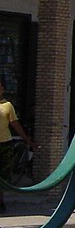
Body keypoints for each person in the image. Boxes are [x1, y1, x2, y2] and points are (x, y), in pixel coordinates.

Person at [0, 81, 36, 211]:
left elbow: (15, 124)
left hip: (4, 143)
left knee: (4, 173)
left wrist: (27, 140)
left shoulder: (7, 106)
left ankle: (1, 201)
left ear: (2, 90)